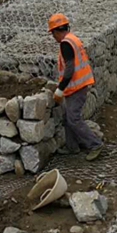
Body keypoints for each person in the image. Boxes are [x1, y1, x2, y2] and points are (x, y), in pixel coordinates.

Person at [48, 13, 103, 161]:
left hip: (76, 86)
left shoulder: (66, 44)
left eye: (52, 34)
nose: (53, 37)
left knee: (73, 119)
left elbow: (70, 69)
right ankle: (72, 147)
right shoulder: (73, 39)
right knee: (67, 117)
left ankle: (95, 144)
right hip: (77, 85)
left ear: (56, 31)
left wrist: (60, 89)